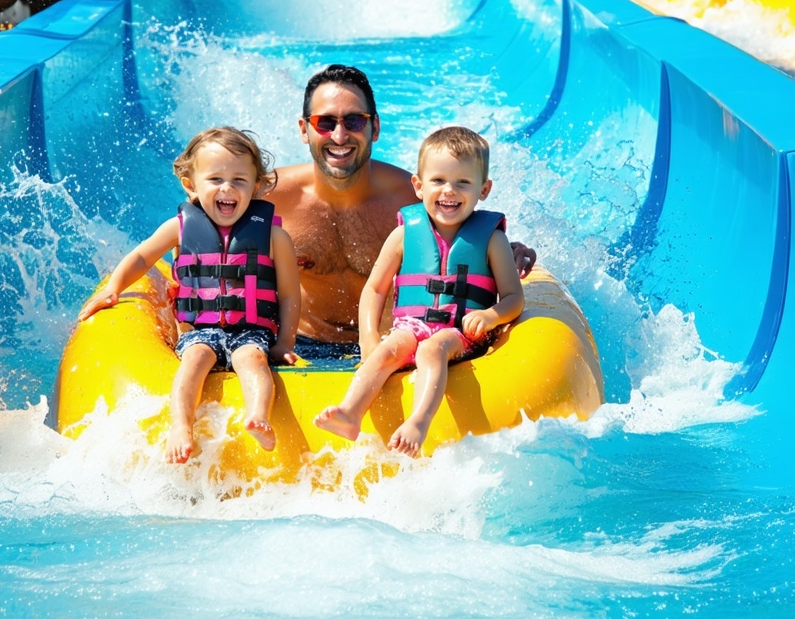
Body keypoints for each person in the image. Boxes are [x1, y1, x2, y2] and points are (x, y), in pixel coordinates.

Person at [266, 64, 535, 358]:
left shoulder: (413, 199)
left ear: (376, 128)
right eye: (325, 122)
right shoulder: (271, 196)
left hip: (397, 344)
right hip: (299, 347)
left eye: (354, 121)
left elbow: (462, 239)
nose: (340, 136)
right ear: (305, 130)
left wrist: (506, 250)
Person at [77, 127, 301, 464]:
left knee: (253, 361)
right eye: (215, 179)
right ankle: (181, 426)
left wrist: (284, 343)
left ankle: (258, 417)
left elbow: (288, 294)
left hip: (251, 332)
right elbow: (142, 256)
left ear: (256, 186)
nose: (227, 188)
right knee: (194, 361)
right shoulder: (180, 227)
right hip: (200, 331)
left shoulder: (274, 236)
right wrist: (114, 288)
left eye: (239, 180)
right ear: (191, 184)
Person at [314, 127, 525, 457]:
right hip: (412, 325)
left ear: (484, 190)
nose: (449, 191)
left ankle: (418, 422)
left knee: (432, 350)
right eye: (438, 180)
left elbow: (514, 298)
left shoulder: (492, 239)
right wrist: (368, 336)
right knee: (387, 350)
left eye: (463, 183)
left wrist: (490, 315)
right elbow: (375, 289)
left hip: (462, 331)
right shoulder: (403, 234)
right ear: (418, 185)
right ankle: (350, 413)